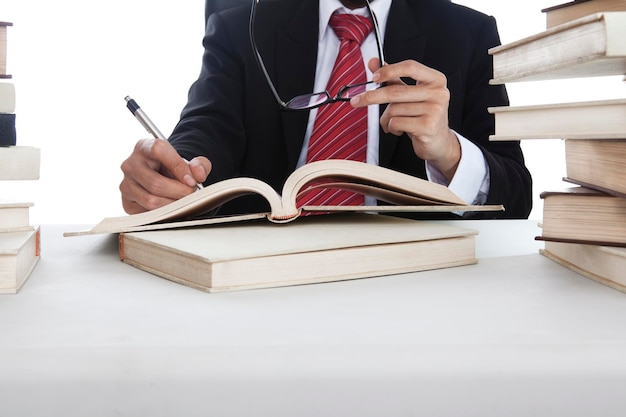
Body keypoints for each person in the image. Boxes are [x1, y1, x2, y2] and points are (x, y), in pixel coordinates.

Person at [120, 0, 532, 219]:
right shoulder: (239, 21)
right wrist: (175, 170)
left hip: (412, 282)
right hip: (264, 271)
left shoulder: (467, 33)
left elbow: (518, 195)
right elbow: (208, 121)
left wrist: (448, 151)